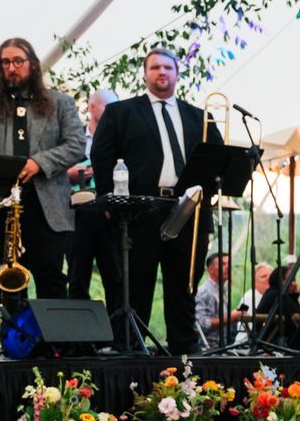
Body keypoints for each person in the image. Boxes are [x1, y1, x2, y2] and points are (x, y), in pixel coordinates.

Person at [89, 48, 224, 356]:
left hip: (187, 209)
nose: (161, 72)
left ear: (177, 74)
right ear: (145, 74)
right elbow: (101, 155)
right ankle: (131, 348)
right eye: (155, 68)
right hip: (140, 209)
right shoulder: (122, 112)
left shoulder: (199, 116)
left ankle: (184, 348)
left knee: (183, 283)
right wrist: (112, 201)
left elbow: (216, 160)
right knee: (137, 281)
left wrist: (207, 197)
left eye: (167, 67)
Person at [0, 38, 85, 303]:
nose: (11, 68)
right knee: (8, 284)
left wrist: (39, 163)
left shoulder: (61, 103)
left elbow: (77, 144)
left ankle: (53, 345)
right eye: (5, 62)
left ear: (33, 65)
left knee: (51, 278)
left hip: (46, 206)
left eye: (17, 61)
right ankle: (15, 345)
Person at [67, 88, 121, 303]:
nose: (112, 113)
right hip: (77, 214)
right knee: (77, 276)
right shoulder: (74, 138)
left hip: (108, 213)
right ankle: (79, 334)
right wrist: (67, 174)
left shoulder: (120, 140)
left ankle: (115, 333)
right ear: (91, 107)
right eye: (108, 107)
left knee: (114, 277)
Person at [194, 252, 230, 349]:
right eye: (223, 264)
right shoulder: (206, 292)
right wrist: (231, 318)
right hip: (208, 350)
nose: (228, 267)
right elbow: (202, 324)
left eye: (229, 264)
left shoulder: (221, 291)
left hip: (219, 347)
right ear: (211, 270)